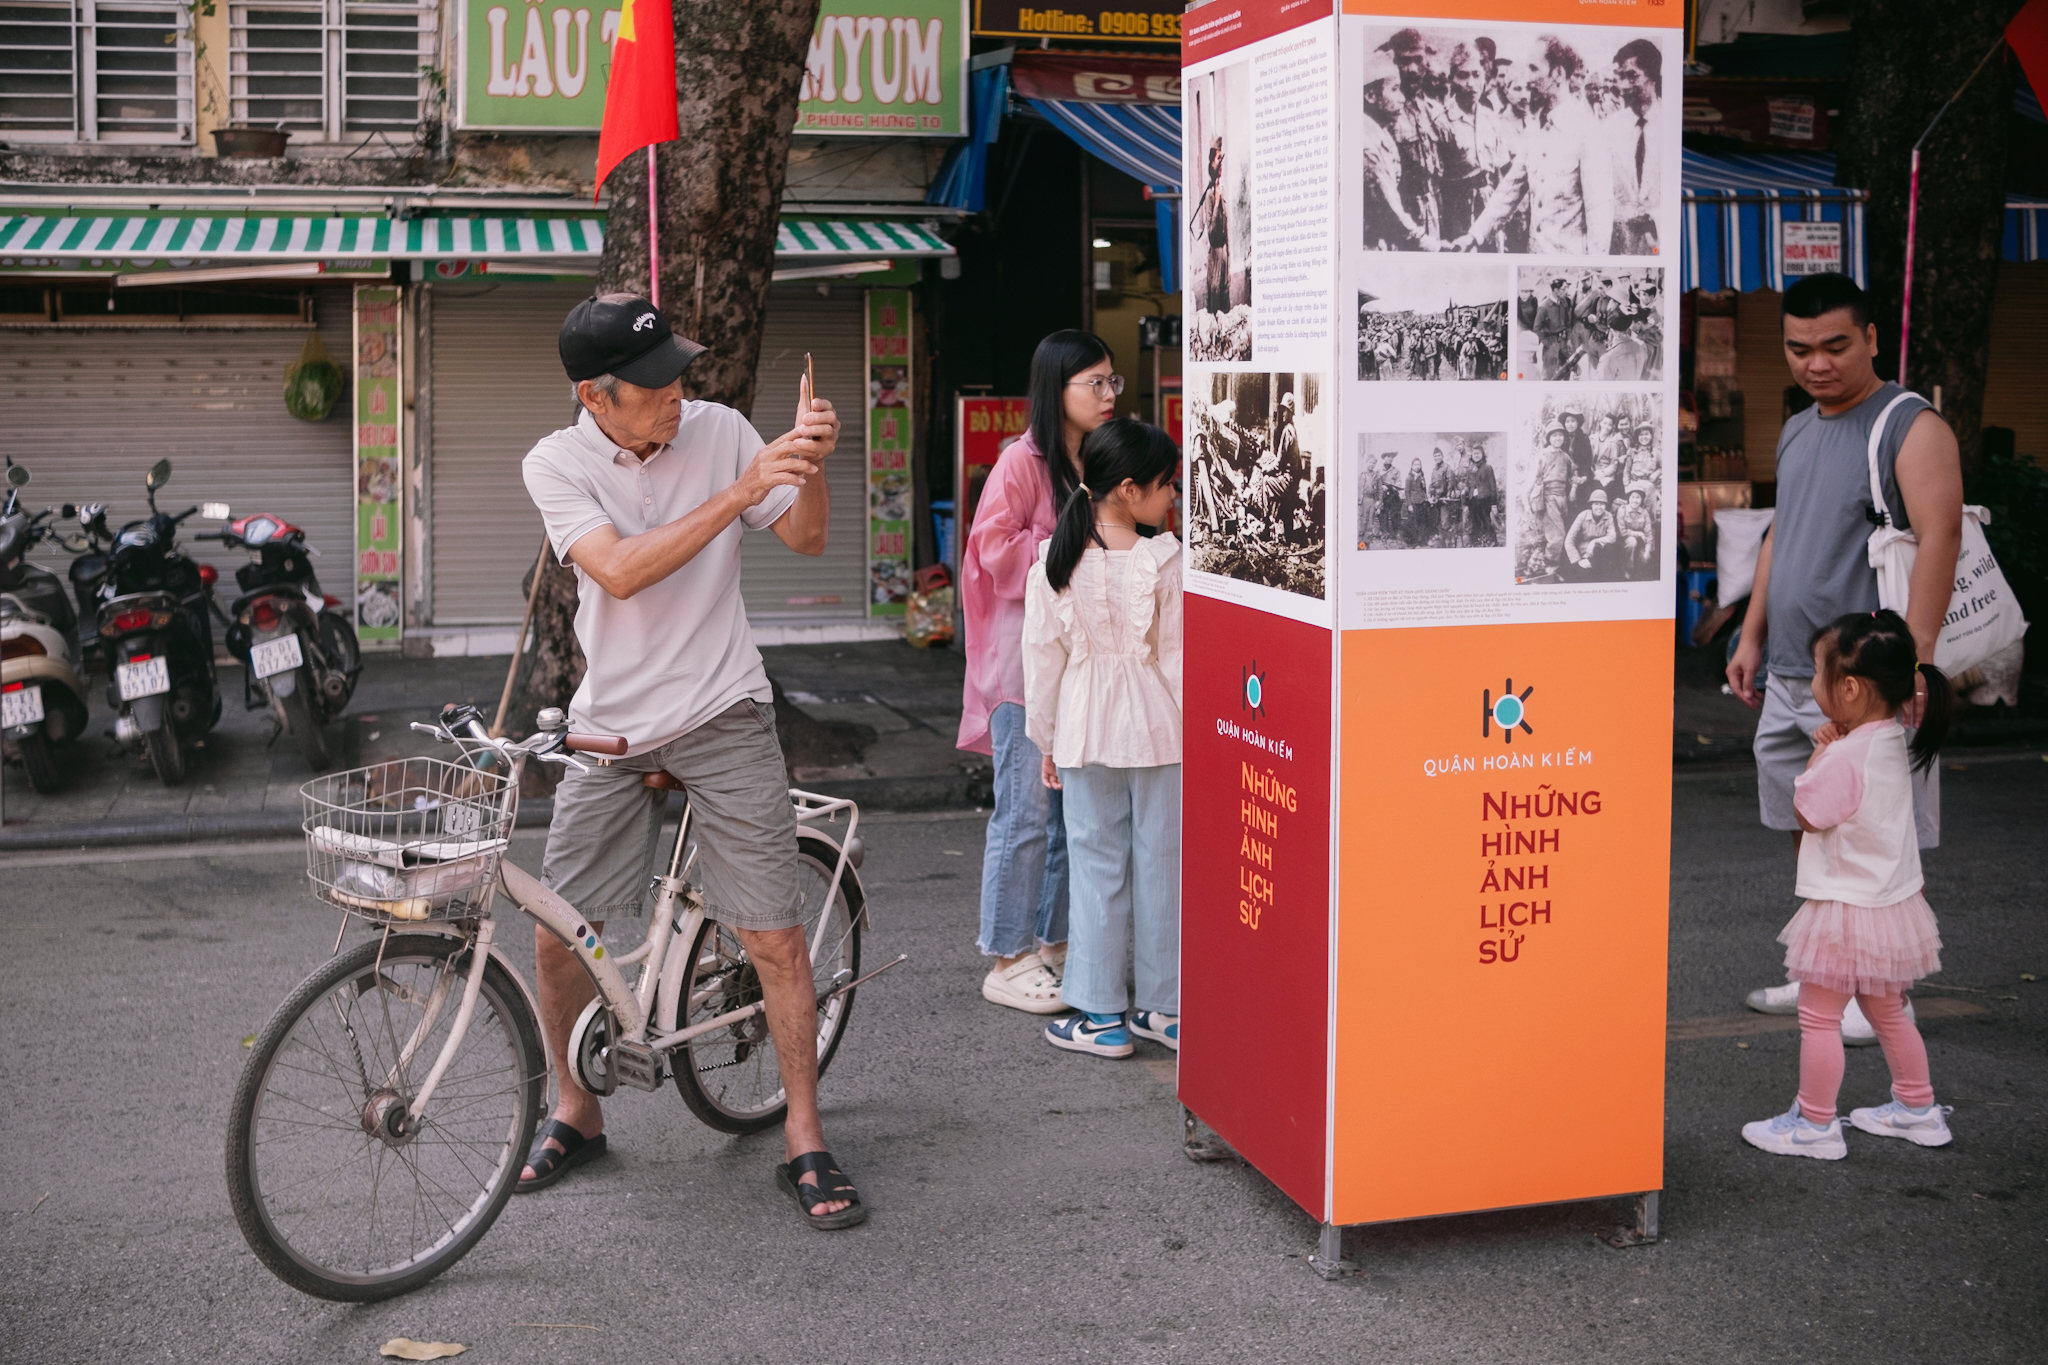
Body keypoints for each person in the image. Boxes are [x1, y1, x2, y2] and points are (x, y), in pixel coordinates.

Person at [519, 293, 865, 1228]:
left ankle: (803, 1132)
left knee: (772, 934)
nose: (678, 392)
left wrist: (808, 466)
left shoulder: (719, 429)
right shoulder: (556, 461)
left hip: (723, 706)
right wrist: (744, 492)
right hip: (612, 725)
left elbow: (807, 534)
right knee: (557, 936)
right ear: (597, 397)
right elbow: (621, 570)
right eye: (654, 382)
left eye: (680, 371)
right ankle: (576, 1109)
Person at [1727, 272, 1962, 1043]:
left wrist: (1915, 666)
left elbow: (1940, 537)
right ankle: (1826, 977)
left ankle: (1881, 993)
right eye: (1798, 348)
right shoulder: (1798, 426)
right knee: (1814, 834)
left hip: (1866, 682)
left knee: (1873, 842)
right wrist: (1751, 633)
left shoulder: (1908, 424)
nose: (1815, 363)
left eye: (1834, 345)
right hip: (1796, 670)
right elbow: (1778, 537)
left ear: (1869, 337)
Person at [1741, 610, 1955, 1159]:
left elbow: (1809, 812)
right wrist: (1834, 744)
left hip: (1845, 907)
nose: (1813, 684)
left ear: (1852, 688)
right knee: (1888, 1011)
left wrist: (1820, 752)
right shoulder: (1890, 737)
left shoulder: (1843, 754)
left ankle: (1814, 1124)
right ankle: (1917, 1108)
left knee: (1818, 1017)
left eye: (1818, 673)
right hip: (1890, 903)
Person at [959, 332, 1117, 1014]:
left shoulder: (1096, 457)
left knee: (1063, 815)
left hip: (1074, 667)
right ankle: (1007, 954)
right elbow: (991, 550)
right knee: (1023, 813)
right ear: (1059, 392)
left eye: (1113, 382)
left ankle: (1051, 941)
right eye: (1097, 384)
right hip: (1019, 670)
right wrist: (1075, 538)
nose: (1111, 395)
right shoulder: (1021, 463)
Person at [1022, 418, 1184, 1059]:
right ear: (1127, 488)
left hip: (1086, 729)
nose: (1172, 496)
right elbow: (1177, 658)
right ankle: (1164, 1009)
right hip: (1162, 730)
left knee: (1096, 869)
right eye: (1165, 485)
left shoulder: (1055, 564)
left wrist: (1047, 741)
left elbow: (1042, 661)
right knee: (1163, 868)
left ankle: (1100, 1016)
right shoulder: (1166, 561)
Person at [1608, 38, 1663, 255]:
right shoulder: (1610, 128)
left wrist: (1654, 219)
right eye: (1621, 76)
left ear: (1652, 77)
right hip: (1623, 245)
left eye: (1632, 76)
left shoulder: (1670, 125)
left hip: (1661, 244)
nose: (1623, 85)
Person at [1562, 487, 1619, 579]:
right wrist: (1578, 560)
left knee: (1609, 550)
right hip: (1584, 554)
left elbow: (1612, 537)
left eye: (1602, 504)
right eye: (1596, 504)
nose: (1599, 507)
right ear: (1591, 505)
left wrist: (1594, 542)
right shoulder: (1582, 516)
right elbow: (1569, 540)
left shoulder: (1608, 516)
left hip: (1600, 552)